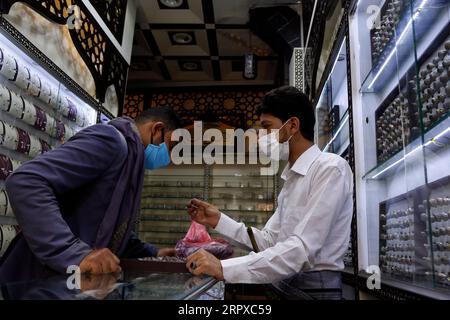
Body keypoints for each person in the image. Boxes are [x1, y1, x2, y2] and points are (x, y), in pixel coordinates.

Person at [186, 86, 353, 300]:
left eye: (266, 127)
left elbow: (302, 250)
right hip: (286, 285)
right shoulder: (292, 179)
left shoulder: (330, 169)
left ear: (292, 125)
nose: (261, 137)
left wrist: (224, 268)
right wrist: (218, 219)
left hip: (313, 290)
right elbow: (268, 242)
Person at [0, 107, 181, 283]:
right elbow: (27, 181)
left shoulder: (130, 162)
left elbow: (110, 226)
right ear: (157, 129)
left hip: (65, 283)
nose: (168, 156)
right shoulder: (112, 141)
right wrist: (74, 253)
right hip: (36, 280)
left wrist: (152, 253)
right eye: (170, 145)